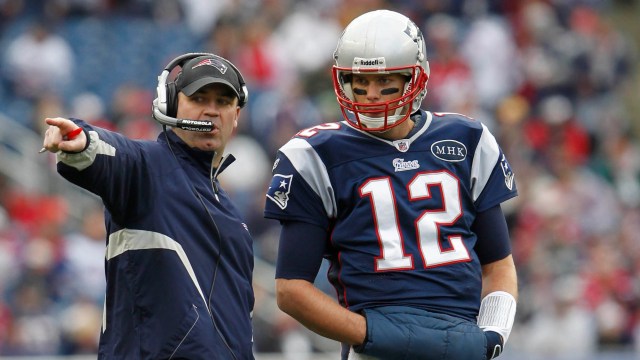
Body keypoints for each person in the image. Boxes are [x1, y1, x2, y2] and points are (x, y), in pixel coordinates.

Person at [264, 10, 518, 360]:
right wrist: (374, 334)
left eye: (386, 81)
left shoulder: (469, 140)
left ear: (416, 78)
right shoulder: (316, 154)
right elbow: (291, 289)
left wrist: (492, 334)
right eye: (360, 81)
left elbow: (498, 264)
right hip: (375, 347)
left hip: (461, 339)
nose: (370, 94)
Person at [40, 53, 255, 359]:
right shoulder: (147, 169)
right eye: (199, 98)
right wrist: (80, 140)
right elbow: (111, 152)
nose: (211, 110)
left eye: (222, 102)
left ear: (236, 115)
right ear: (171, 105)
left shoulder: (235, 219)